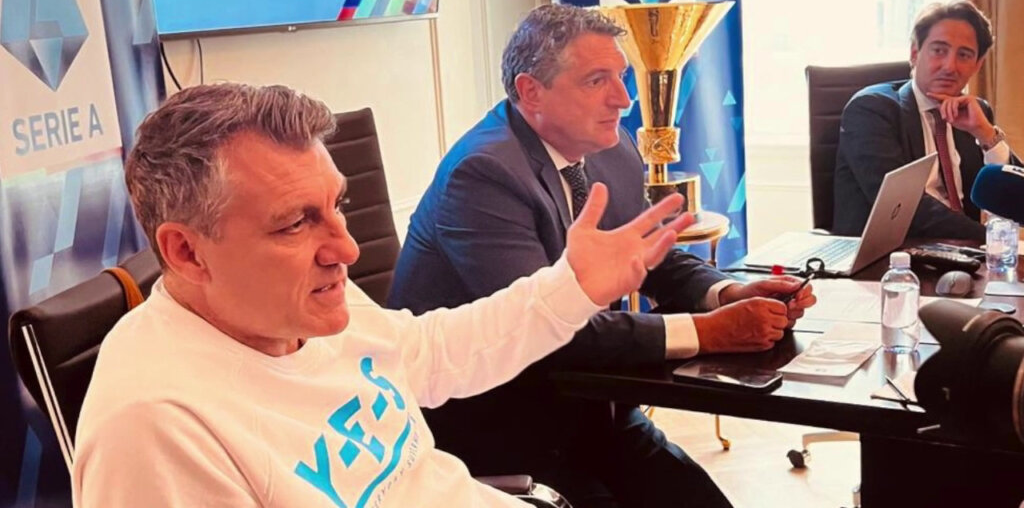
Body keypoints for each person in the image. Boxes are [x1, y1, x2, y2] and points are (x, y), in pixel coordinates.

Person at [71, 82, 695, 507]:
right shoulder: (154, 429)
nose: (346, 249)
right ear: (187, 252)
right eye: (295, 224)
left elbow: (431, 352)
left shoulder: (300, 303)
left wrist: (571, 287)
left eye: (336, 205)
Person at [387, 3, 815, 508]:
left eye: (621, 76)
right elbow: (547, 330)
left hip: (591, 407)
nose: (623, 98)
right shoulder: (483, 174)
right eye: (596, 81)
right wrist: (709, 331)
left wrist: (726, 292)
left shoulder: (610, 147)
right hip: (502, 428)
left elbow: (651, 255)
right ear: (531, 91)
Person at [834, 0, 1019, 239]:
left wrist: (986, 135)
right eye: (939, 50)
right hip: (894, 254)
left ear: (977, 65)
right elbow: (904, 208)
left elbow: (1018, 199)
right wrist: (990, 239)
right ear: (914, 53)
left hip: (965, 254)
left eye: (964, 55)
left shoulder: (976, 112)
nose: (950, 66)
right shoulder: (872, 110)